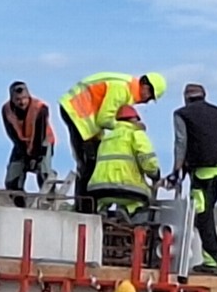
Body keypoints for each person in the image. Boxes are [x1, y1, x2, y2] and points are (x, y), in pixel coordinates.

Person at [59, 71, 167, 210]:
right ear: (146, 86)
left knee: (92, 160)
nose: (147, 101)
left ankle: (85, 206)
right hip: (77, 112)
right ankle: (84, 208)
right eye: (150, 97)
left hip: (84, 115)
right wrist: (129, 127)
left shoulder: (126, 88)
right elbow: (104, 119)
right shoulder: (122, 89)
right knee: (88, 163)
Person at [169, 82, 217, 271]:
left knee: (202, 214)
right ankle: (211, 258)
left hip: (203, 171)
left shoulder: (181, 114)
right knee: (208, 203)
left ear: (185, 98)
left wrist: (177, 170)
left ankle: (211, 261)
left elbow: (181, 142)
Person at [88, 104, 161, 219]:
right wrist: (154, 174)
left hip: (99, 189)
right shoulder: (135, 134)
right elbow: (147, 160)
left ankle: (103, 211)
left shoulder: (107, 138)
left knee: (105, 201)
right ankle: (126, 210)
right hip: (127, 188)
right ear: (134, 119)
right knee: (143, 199)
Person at [1, 81, 56, 206]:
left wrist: (35, 156)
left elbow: (39, 135)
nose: (22, 102)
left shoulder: (40, 108)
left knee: (43, 172)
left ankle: (50, 200)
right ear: (12, 99)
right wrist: (24, 153)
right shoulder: (6, 110)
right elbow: (12, 134)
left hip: (43, 141)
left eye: (24, 98)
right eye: (18, 99)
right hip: (21, 143)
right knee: (12, 178)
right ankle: (20, 206)